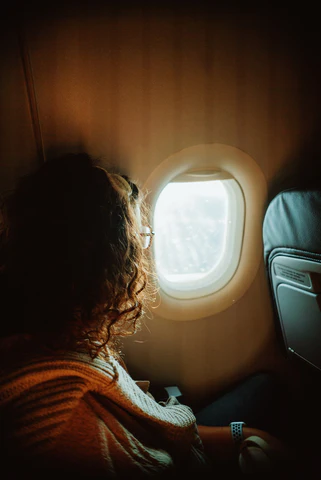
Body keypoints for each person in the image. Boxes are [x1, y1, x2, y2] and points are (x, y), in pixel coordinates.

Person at [0, 153, 293, 478]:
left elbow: (151, 429)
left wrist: (241, 434)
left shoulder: (62, 336)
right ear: (105, 266)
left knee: (267, 386)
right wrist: (244, 442)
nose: (142, 255)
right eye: (138, 240)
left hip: (178, 437)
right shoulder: (59, 427)